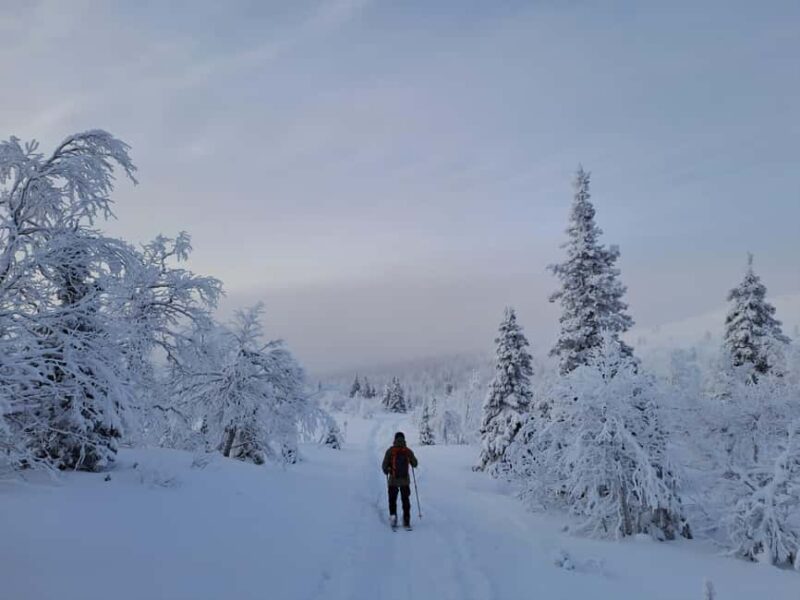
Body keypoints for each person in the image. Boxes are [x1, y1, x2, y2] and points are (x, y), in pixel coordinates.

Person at [381, 431, 418, 529]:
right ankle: (406, 520)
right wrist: (410, 460)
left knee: (392, 500)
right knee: (405, 500)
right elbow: (415, 463)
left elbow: (384, 466)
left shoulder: (390, 451)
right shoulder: (407, 451)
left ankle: (393, 518)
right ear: (404, 439)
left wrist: (387, 470)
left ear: (395, 439)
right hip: (405, 481)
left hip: (393, 480)